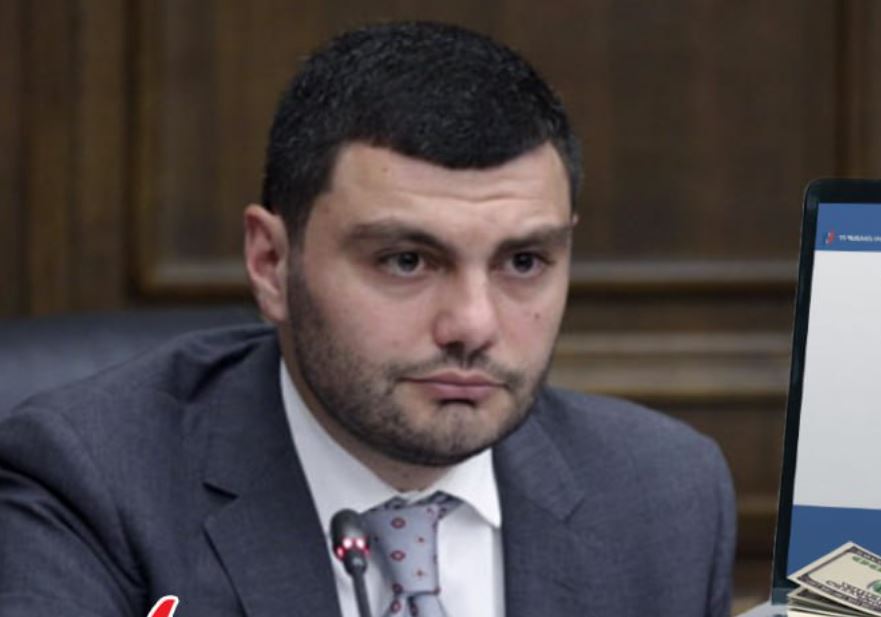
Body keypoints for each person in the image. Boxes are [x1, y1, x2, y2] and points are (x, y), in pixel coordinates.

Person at [0, 22, 735, 617]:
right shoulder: (95, 483)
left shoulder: (663, 494)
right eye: (406, 261)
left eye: (522, 262)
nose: (472, 325)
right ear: (270, 262)